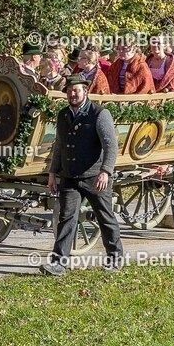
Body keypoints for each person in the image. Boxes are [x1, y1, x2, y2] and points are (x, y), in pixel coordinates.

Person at [41, 75, 124, 275]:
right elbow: (59, 146)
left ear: (85, 91)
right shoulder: (63, 115)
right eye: (69, 90)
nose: (72, 93)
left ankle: (115, 258)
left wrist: (106, 171)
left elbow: (110, 146)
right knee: (66, 219)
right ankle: (59, 263)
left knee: (105, 217)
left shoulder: (100, 114)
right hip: (69, 177)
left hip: (95, 178)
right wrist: (53, 172)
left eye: (76, 90)